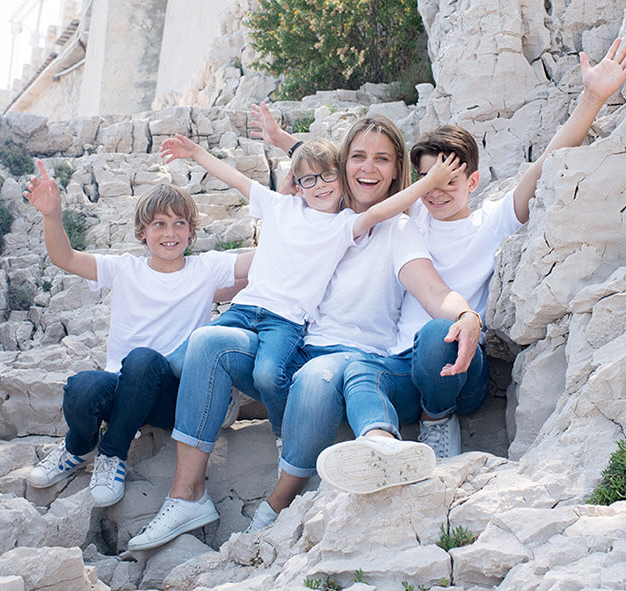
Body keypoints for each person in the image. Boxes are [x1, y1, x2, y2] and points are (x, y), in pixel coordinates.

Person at [126, 115, 482, 550]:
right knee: (208, 342)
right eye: (358, 157)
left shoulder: (396, 228)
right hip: (292, 342)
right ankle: (186, 495)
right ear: (342, 163)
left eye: (382, 159)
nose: (368, 168)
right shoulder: (308, 210)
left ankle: (277, 505)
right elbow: (290, 209)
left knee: (317, 377)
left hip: (351, 358)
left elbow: (431, 289)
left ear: (397, 172)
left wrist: (466, 314)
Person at [317, 37, 626, 493]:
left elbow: (548, 161)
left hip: (460, 368)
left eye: (449, 181)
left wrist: (593, 96)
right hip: (403, 368)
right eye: (428, 182)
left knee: (437, 332)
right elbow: (357, 186)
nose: (438, 193)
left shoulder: (492, 221)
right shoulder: (410, 223)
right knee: (359, 368)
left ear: (472, 180)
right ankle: (381, 449)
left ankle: (438, 420)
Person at [157, 133, 464, 441]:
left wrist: (428, 182)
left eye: (328, 177)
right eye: (308, 181)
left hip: (288, 322)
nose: (319, 185)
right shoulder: (282, 206)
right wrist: (195, 151)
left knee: (270, 374)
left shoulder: (344, 224)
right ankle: (222, 398)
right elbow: (237, 179)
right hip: (248, 308)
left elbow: (378, 212)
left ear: (341, 177)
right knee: (181, 359)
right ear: (298, 184)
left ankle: (283, 434)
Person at [24, 160, 250, 507]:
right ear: (142, 231)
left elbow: (261, 262)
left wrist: (300, 217)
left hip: (172, 395)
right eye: (159, 224)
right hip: (123, 385)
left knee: (144, 360)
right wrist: (52, 215)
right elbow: (64, 257)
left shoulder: (206, 268)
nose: (170, 233)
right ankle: (77, 447)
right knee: (83, 387)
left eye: (179, 224)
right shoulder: (124, 269)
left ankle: (112, 453)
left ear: (192, 231)